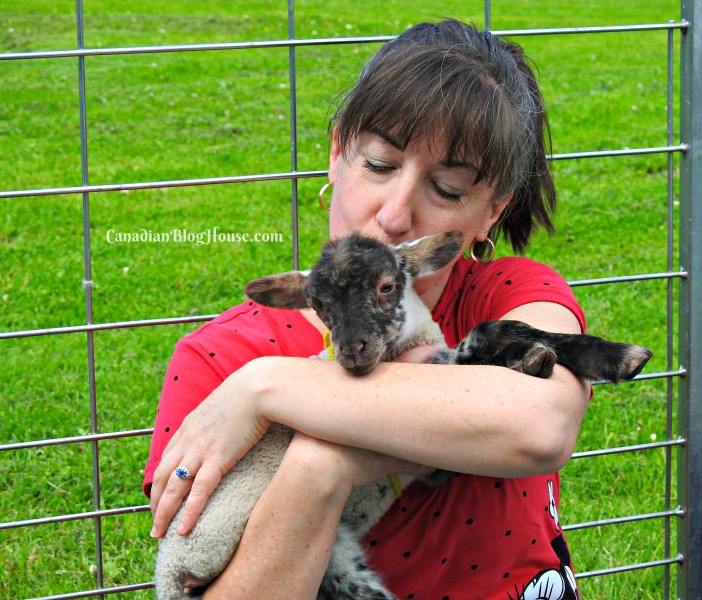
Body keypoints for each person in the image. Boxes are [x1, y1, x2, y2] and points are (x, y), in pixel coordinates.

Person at [145, 19, 591, 600]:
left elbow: (540, 424)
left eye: (448, 190)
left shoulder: (507, 293)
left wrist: (268, 390)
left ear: (491, 212)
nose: (395, 215)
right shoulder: (221, 357)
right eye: (379, 165)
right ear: (336, 156)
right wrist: (320, 468)